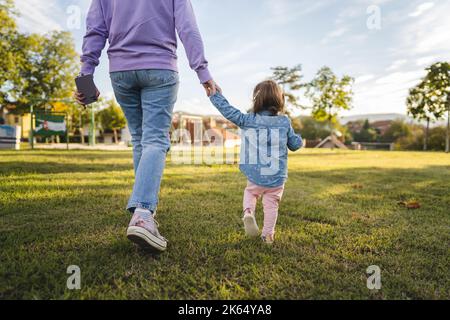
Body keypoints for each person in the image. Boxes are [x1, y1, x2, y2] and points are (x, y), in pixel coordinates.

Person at [75, 0, 220, 252]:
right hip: (160, 67)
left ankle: (142, 213)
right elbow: (188, 28)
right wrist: (203, 71)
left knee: (141, 139)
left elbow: (95, 30)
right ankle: (142, 213)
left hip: (121, 72)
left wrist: (86, 74)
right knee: (155, 139)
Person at [209, 80, 303, 244]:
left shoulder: (248, 119)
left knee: (251, 193)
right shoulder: (284, 122)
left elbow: (229, 111)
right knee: (271, 205)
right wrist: (299, 139)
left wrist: (216, 95)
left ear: (257, 100)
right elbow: (294, 145)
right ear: (279, 100)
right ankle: (268, 235)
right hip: (276, 176)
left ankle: (248, 212)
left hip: (255, 173)